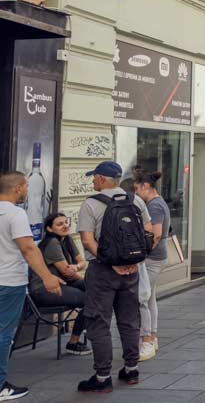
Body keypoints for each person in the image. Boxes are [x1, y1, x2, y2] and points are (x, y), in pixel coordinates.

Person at [76, 161, 153, 393]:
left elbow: (88, 241)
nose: (92, 181)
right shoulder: (136, 201)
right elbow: (149, 233)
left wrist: (111, 262)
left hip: (102, 271)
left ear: (101, 179)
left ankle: (102, 377)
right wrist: (133, 261)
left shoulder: (91, 204)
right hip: (131, 271)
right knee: (129, 320)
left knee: (98, 321)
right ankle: (131, 369)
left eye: (94, 177)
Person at [0, 172, 63, 401]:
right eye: (26, 186)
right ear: (17, 188)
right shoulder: (16, 213)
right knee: (4, 333)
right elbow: (28, 248)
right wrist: (47, 277)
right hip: (9, 281)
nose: (28, 189)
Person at [30, 212, 90, 356]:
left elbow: (81, 262)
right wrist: (78, 271)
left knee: (97, 294)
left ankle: (83, 333)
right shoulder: (52, 243)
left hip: (63, 284)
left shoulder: (67, 239)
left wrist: (76, 267)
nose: (65, 226)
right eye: (59, 224)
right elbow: (66, 272)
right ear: (50, 229)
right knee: (92, 299)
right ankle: (73, 343)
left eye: (66, 222)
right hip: (43, 290)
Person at [133, 172, 169, 362]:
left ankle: (146, 341)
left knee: (142, 299)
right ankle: (152, 337)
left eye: (137, 189)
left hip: (152, 259)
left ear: (145, 186)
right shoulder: (158, 202)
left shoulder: (154, 206)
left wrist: (141, 253)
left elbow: (155, 235)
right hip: (157, 258)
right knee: (150, 298)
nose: (136, 193)